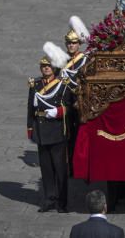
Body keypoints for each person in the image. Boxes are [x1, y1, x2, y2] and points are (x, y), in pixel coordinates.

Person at [27, 48, 73, 213]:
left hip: (56, 131)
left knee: (60, 169)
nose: (46, 68)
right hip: (41, 130)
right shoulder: (36, 84)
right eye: (43, 66)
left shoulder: (62, 85)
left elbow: (70, 107)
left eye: (48, 66)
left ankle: (62, 202)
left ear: (54, 68)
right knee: (46, 169)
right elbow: (29, 109)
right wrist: (30, 128)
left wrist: (58, 112)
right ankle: (49, 199)